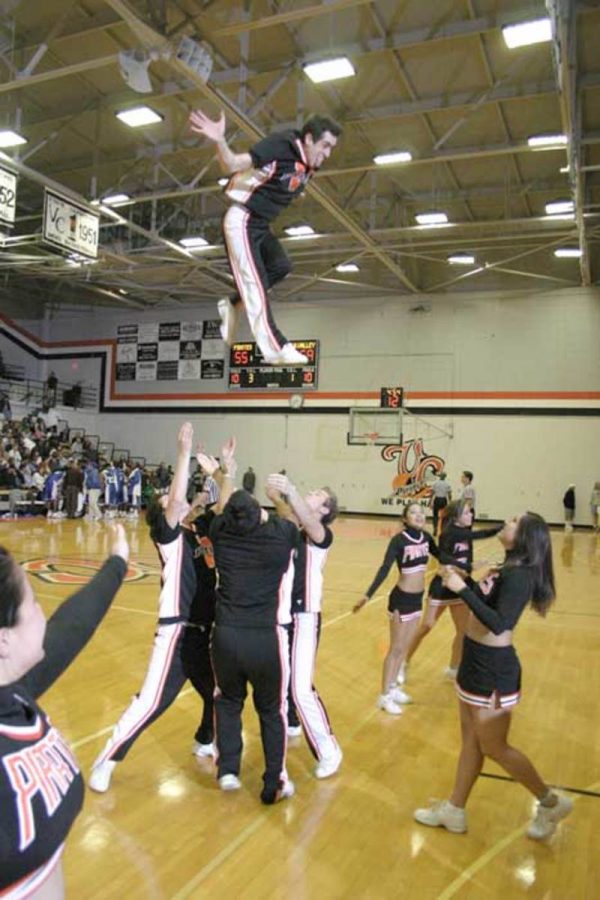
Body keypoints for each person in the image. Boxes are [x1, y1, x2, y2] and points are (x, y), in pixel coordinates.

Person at [89, 424, 233, 793]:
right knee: (151, 703)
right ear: (165, 512)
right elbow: (177, 501)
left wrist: (222, 469)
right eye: (172, 501)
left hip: (204, 633)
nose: (179, 500)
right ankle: (106, 760)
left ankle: (204, 738)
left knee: (217, 692)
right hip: (178, 632)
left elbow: (220, 503)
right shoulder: (168, 537)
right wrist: (183, 454)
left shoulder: (198, 528)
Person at [414, 512, 573, 840]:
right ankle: (455, 809)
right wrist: (467, 582)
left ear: (526, 536)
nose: (507, 521)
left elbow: (500, 622)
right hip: (474, 662)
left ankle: (550, 801)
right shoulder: (508, 567)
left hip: (493, 669)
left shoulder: (521, 575)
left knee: (495, 746)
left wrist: (462, 588)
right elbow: (486, 603)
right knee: (471, 738)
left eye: (514, 521)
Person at [0, 526, 128, 896]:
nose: (44, 613)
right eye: (34, 602)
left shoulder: (15, 692)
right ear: (4, 639)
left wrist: (116, 563)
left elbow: (71, 626)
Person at [189, 108, 342, 364]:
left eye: (331, 149)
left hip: (260, 224)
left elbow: (287, 183)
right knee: (255, 284)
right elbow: (232, 164)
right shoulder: (281, 145)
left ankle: (231, 303)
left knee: (281, 266)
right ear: (307, 139)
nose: (327, 153)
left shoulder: (309, 166)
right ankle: (277, 347)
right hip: (242, 219)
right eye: (325, 145)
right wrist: (219, 140)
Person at [208, 461, 299, 804]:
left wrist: (225, 472)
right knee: (271, 710)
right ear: (259, 515)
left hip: (226, 636)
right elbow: (290, 519)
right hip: (264, 638)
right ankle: (273, 781)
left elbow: (223, 506)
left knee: (228, 701)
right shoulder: (278, 539)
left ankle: (228, 769)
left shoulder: (221, 533)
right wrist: (278, 498)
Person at [353, 502, 463, 715]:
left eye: (421, 512)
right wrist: (367, 595)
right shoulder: (398, 541)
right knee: (395, 649)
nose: (419, 515)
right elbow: (384, 569)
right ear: (405, 519)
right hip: (401, 600)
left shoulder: (426, 539)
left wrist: (467, 566)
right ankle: (383, 696)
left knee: (404, 648)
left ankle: (393, 688)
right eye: (413, 512)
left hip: (417, 599)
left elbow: (442, 557)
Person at [267, 473, 342, 779]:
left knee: (300, 689)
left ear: (325, 510)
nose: (310, 495)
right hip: (284, 616)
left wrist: (290, 490)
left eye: (316, 494)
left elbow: (304, 519)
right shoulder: (294, 529)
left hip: (305, 617)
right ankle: (295, 724)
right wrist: (275, 497)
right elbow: (288, 513)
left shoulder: (320, 533)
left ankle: (329, 750)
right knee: (282, 681)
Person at [404, 500, 503, 680]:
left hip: (460, 587)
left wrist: (470, 568)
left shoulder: (465, 533)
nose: (471, 515)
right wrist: (502, 527)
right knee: (426, 625)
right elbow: (445, 561)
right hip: (443, 585)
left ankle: (454, 668)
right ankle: (403, 661)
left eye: (471, 512)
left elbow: (466, 563)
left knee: (463, 631)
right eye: (466, 513)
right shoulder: (449, 534)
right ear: (456, 517)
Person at [430, 471, 452, 535]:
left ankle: (435, 528)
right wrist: (450, 502)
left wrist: (430, 502)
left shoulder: (435, 483)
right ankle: (443, 529)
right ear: (445, 477)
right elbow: (449, 494)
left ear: (439, 477)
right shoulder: (447, 484)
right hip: (443, 500)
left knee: (435, 515)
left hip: (437, 499)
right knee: (444, 516)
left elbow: (432, 493)